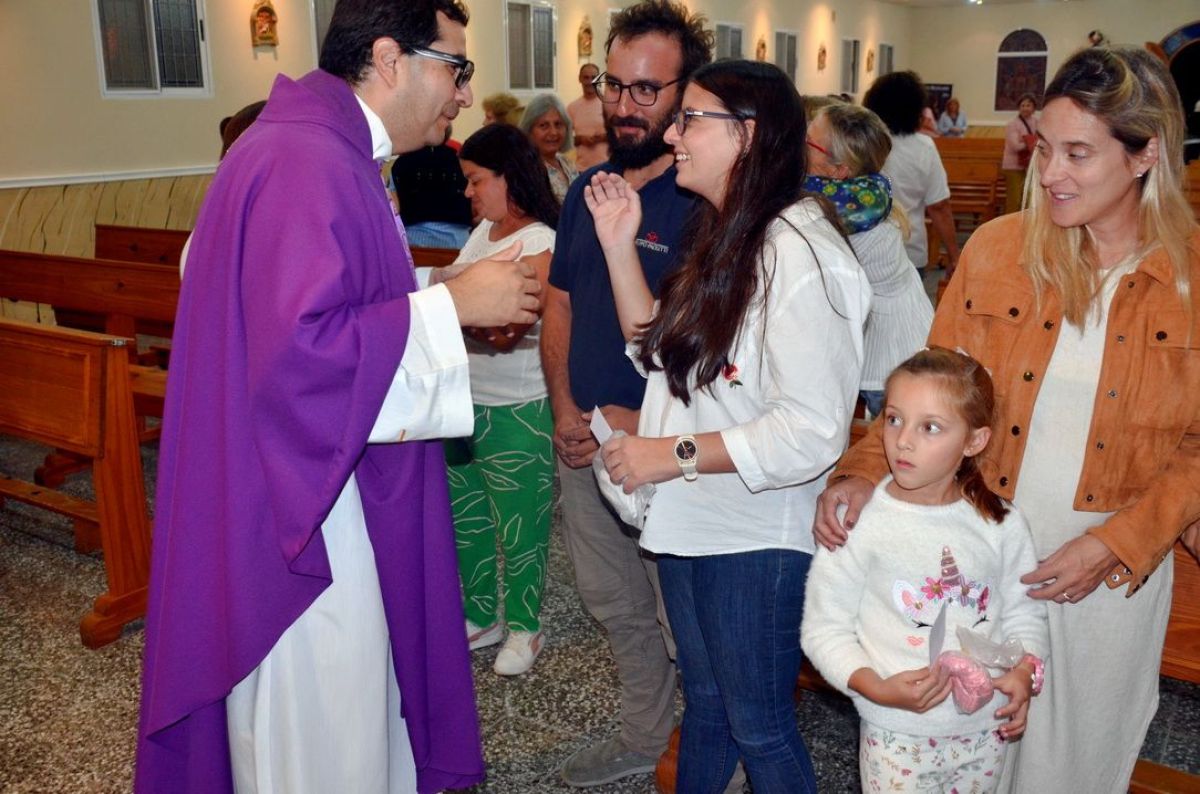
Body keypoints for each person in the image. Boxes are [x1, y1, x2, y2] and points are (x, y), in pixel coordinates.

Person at [135, 2, 543, 792]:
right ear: (390, 59)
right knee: (323, 724)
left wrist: (439, 286)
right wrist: (451, 309)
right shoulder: (306, 160)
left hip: (306, 492)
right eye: (455, 67)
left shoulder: (319, 147)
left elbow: (323, 298)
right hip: (306, 525)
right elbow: (298, 360)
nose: (464, 94)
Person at [814, 46, 1200, 794]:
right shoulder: (998, 251)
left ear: (1146, 152)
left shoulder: (1191, 279)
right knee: (959, 758)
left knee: (1070, 769)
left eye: (1078, 154)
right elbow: (928, 392)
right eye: (1044, 148)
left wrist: (1114, 543)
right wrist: (861, 472)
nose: (1049, 172)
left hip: (1106, 580)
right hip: (979, 558)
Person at [588, 59, 870, 792]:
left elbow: (811, 431)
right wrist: (619, 243)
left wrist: (668, 455)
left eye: (691, 119)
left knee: (760, 724)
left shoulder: (799, 253)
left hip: (755, 534)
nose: (673, 134)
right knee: (708, 707)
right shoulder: (725, 233)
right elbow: (664, 354)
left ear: (747, 136)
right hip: (695, 517)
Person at [540, 0, 712, 787]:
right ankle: (646, 733)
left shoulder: (708, 200)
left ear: (686, 93)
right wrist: (563, 410)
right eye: (615, 84)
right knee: (615, 605)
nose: (623, 104)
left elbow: (719, 351)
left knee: (687, 615)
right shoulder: (588, 190)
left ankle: (712, 753)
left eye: (647, 89)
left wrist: (645, 426)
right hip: (587, 443)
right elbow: (562, 305)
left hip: (667, 453)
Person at [803, 348, 1049, 793]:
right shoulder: (860, 521)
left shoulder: (1001, 523)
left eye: (930, 427)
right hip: (897, 735)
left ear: (974, 441)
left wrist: (1023, 671)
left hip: (983, 731)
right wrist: (874, 687)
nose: (903, 441)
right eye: (894, 419)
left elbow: (1024, 613)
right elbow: (824, 629)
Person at [428, 123, 559, 676]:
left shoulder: (543, 243)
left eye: (476, 180)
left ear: (510, 179)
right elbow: (463, 308)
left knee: (519, 523)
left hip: (519, 407)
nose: (468, 192)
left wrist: (446, 303)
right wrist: (454, 302)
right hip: (465, 399)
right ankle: (481, 614)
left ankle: (526, 627)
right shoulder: (483, 234)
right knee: (469, 519)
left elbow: (507, 326)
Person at [805, 101, 934, 416]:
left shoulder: (856, 220)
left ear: (839, 170)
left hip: (893, 349)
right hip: (880, 333)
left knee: (887, 444)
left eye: (808, 141)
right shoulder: (864, 196)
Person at [864, 70, 960, 273]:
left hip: (863, 250)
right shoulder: (924, 147)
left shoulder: (862, 143)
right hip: (908, 248)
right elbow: (939, 206)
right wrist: (954, 256)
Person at [390, 128, 474, 250]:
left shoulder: (401, 164)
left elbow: (394, 207)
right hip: (458, 242)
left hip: (415, 243)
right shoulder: (460, 160)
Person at [521, 94, 578, 204]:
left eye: (558, 124)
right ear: (529, 130)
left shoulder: (566, 163)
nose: (553, 132)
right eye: (543, 125)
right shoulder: (527, 169)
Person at [1001, 93, 1039, 214]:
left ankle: (1026, 227)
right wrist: (1031, 141)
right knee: (1015, 199)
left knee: (1029, 199)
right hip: (1013, 166)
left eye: (1028, 105)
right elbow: (1015, 146)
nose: (1025, 108)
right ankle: (1009, 228)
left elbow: (1042, 140)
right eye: (1022, 105)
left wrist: (1028, 140)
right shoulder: (1013, 124)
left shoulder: (1038, 122)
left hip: (1030, 165)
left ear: (1033, 108)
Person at [568, 63, 609, 171]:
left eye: (594, 78)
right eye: (586, 77)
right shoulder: (572, 108)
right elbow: (565, 140)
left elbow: (621, 135)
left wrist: (601, 138)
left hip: (607, 168)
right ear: (579, 79)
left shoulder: (609, 105)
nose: (590, 81)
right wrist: (581, 139)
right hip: (581, 169)